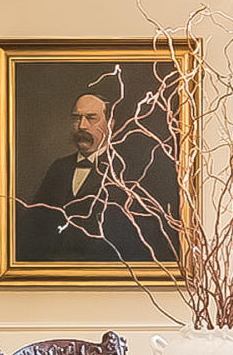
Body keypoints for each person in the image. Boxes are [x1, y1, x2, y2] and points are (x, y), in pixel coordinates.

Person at [19, 81, 176, 264]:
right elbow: (33, 226)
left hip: (107, 270)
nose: (82, 126)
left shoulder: (128, 171)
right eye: (76, 118)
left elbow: (143, 237)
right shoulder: (59, 168)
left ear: (110, 124)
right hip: (56, 269)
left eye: (91, 118)